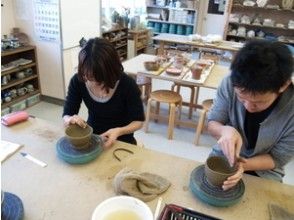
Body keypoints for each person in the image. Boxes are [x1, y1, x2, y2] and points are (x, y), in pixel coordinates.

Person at [207, 40, 294, 190]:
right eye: (241, 98)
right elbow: (213, 122)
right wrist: (224, 130)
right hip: (225, 158)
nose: (248, 107)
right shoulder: (230, 83)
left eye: (259, 102)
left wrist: (240, 166)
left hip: (266, 169)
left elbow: (278, 158)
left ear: (283, 85)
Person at [63, 37, 145, 148]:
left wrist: (118, 131)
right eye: (89, 77)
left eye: (100, 78)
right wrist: (69, 119)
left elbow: (138, 121)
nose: (93, 82)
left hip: (122, 139)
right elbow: (67, 113)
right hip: (93, 137)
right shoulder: (78, 81)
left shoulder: (127, 84)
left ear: (111, 71)